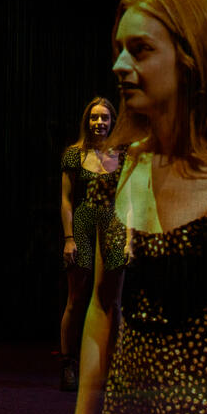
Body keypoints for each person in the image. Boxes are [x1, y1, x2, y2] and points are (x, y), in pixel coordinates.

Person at [74, 0, 207, 414]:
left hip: (202, 413)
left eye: (140, 50)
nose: (119, 65)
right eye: (119, 50)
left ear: (191, 61)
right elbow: (101, 309)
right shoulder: (116, 174)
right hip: (124, 410)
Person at [59, 97, 122, 391]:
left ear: (112, 122)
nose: (99, 123)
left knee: (113, 302)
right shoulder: (75, 154)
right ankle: (68, 363)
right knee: (76, 299)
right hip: (83, 227)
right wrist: (68, 238)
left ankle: (111, 368)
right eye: (95, 118)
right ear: (87, 121)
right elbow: (66, 199)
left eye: (104, 118)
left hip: (113, 227)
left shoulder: (122, 154)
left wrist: (129, 238)